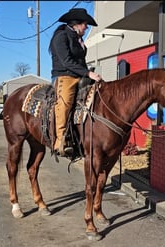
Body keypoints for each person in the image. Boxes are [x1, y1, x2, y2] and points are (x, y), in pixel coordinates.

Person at [49, 8, 102, 156]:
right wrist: (88, 73)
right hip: (64, 76)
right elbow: (66, 61)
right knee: (65, 102)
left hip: (79, 75)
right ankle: (60, 141)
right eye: (85, 24)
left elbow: (80, 61)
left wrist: (89, 75)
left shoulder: (78, 39)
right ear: (76, 24)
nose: (86, 27)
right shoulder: (61, 36)